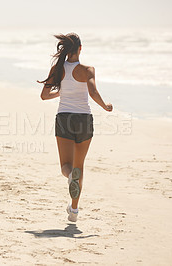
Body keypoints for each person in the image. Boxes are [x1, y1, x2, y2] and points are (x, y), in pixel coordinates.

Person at [38, 33, 113, 222]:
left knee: (66, 166)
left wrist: (60, 93)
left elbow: (44, 96)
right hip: (84, 120)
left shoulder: (57, 69)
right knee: (80, 166)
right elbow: (93, 91)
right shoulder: (88, 70)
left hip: (64, 118)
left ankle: (70, 176)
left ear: (66, 50)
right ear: (80, 49)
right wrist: (105, 106)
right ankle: (74, 210)